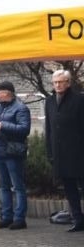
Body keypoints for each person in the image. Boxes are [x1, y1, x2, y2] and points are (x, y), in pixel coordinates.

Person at [0, 79, 31, 230]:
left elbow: (24, 129)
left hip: (13, 152)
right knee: (3, 186)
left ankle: (19, 218)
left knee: (18, 186)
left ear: (6, 93)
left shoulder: (21, 108)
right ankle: (6, 217)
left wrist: (4, 126)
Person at [44, 69, 84, 232]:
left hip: (78, 151)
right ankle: (77, 219)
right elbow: (49, 128)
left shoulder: (79, 99)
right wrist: (50, 150)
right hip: (60, 153)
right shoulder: (50, 101)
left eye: (61, 82)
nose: (58, 85)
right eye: (55, 82)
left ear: (68, 83)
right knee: (69, 188)